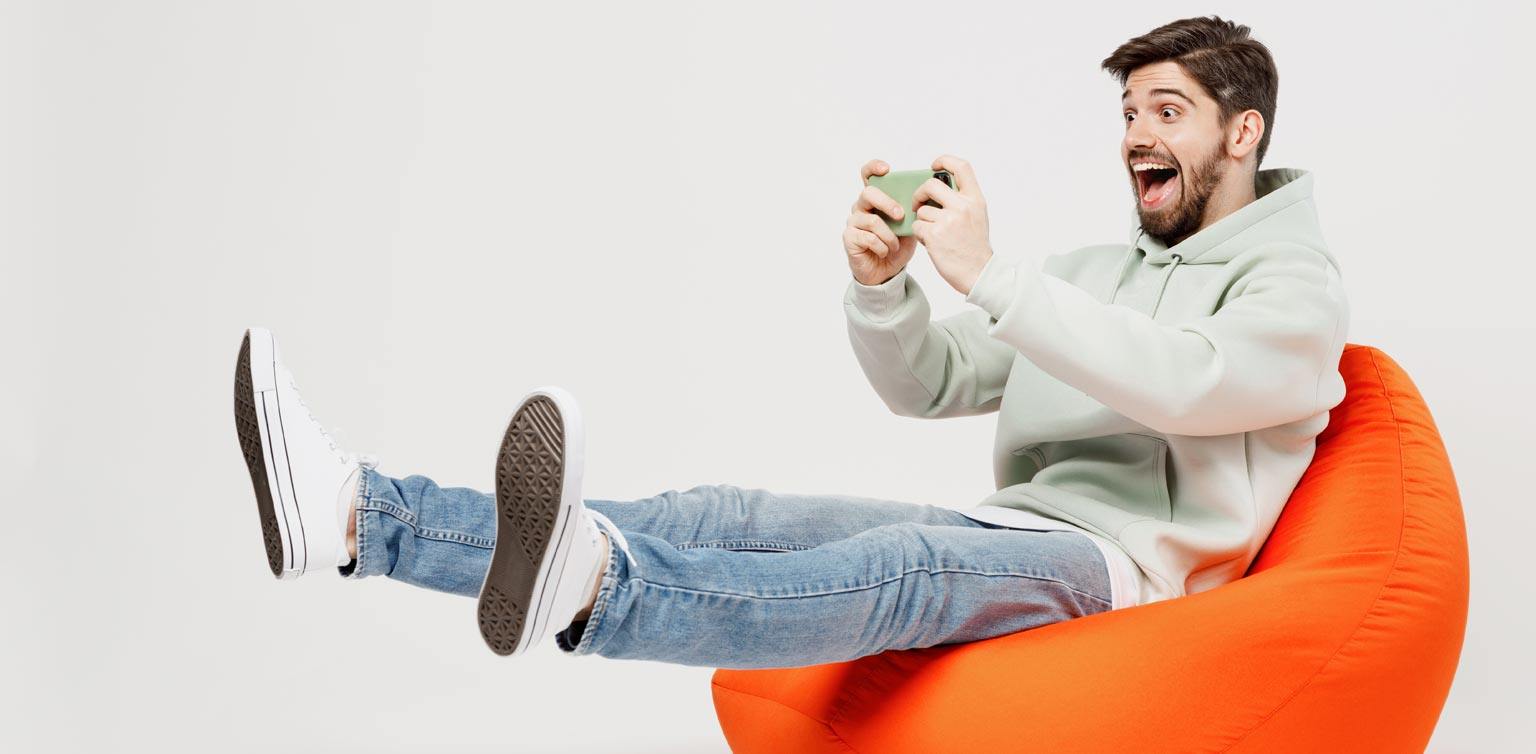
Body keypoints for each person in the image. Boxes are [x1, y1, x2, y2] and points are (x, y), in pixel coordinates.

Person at [232, 15, 1348, 669]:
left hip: (1127, 577)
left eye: (1165, 112)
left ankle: (595, 591)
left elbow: (1192, 388)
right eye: (1129, 114)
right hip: (1010, 526)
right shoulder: (1095, 277)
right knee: (721, 517)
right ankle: (354, 514)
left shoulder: (1296, 288)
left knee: (898, 571)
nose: (1134, 137)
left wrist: (993, 275)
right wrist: (887, 291)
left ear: (1242, 131)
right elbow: (933, 382)